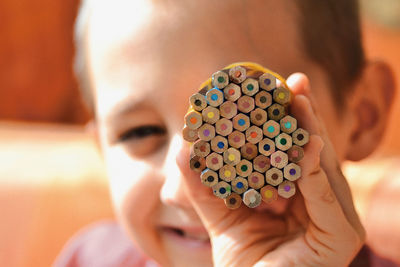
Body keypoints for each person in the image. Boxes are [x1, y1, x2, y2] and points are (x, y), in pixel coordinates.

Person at [55, 0, 398, 266]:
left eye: (252, 122)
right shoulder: (87, 259)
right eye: (140, 131)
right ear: (101, 148)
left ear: (362, 116)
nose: (186, 189)